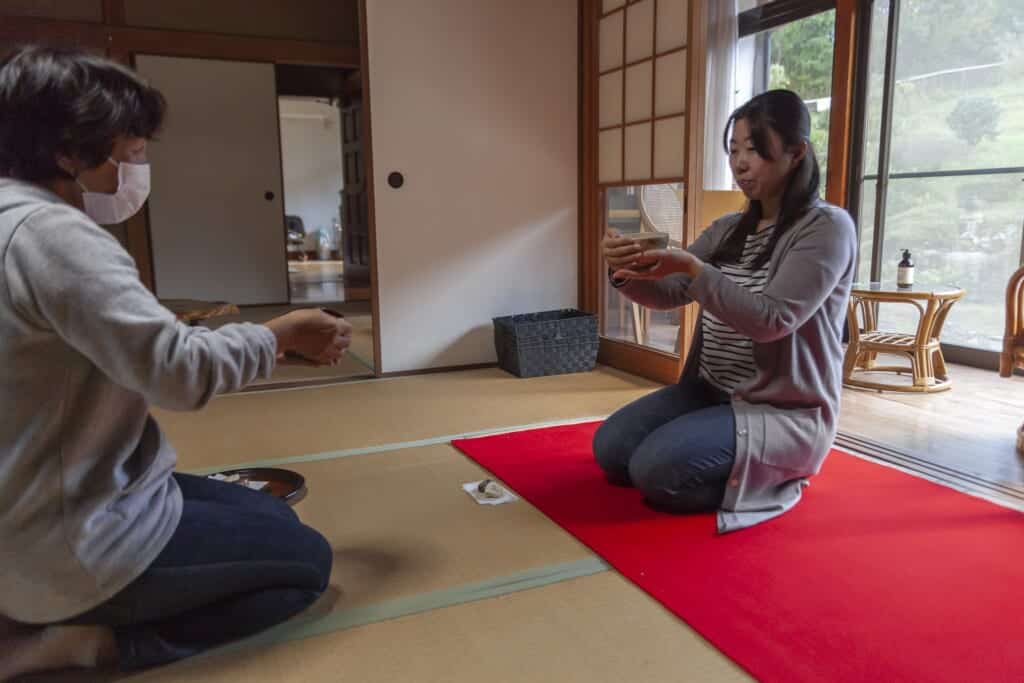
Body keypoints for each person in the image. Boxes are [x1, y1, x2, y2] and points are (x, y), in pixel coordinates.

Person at [0, 46, 350, 678]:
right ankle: (86, 643)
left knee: (270, 511)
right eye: (130, 150)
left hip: (28, 512)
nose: (138, 164)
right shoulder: (54, 236)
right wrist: (280, 334)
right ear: (67, 152)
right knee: (305, 564)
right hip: (71, 540)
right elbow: (179, 374)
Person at [594, 89, 857, 533]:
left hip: (781, 411)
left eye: (754, 149)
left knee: (655, 472)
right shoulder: (729, 228)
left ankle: (778, 477)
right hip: (709, 392)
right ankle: (717, 457)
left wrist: (697, 270)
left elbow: (772, 320)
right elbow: (674, 290)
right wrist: (624, 271)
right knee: (612, 449)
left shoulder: (827, 228)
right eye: (733, 150)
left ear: (796, 153)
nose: (739, 163)